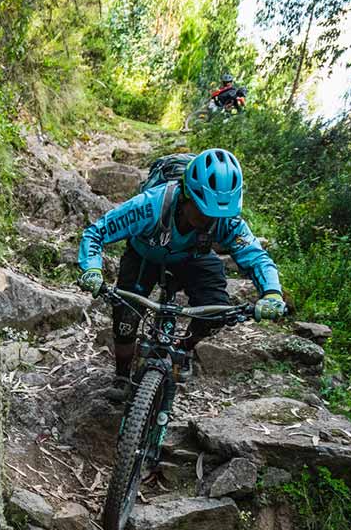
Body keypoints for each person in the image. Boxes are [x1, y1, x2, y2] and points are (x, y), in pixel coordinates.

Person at [75, 148, 286, 387]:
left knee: (216, 311)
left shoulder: (226, 220)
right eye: (205, 211)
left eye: (218, 214)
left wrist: (271, 292)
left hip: (192, 257)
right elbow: (97, 232)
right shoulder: (150, 205)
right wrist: (92, 269)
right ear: (187, 195)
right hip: (145, 254)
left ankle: (183, 350)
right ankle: (122, 374)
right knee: (125, 316)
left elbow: (256, 256)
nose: (211, 221)